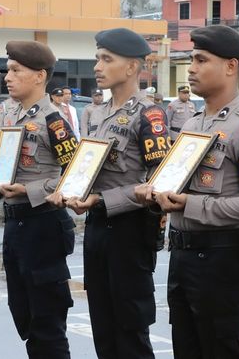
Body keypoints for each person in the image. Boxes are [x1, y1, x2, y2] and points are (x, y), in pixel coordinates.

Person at [144, 26, 239, 359]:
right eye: (192, 60)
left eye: (201, 60)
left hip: (220, 259)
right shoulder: (192, 125)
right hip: (183, 258)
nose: (191, 68)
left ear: (231, 67)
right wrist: (155, 193)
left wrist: (190, 204)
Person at [66, 27, 170, 359]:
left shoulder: (149, 114)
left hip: (129, 233)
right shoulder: (100, 114)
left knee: (129, 334)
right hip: (97, 229)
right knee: (103, 330)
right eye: (97, 58)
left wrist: (102, 200)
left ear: (131, 68)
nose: (97, 66)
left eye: (106, 59)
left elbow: (160, 183)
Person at [0, 40, 78, 359]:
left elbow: (77, 174)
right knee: (23, 314)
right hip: (15, 225)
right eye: (7, 69)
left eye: (15, 70)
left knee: (46, 322)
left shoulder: (54, 120)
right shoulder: (9, 114)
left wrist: (31, 190)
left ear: (39, 76)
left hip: (44, 225)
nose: (7, 77)